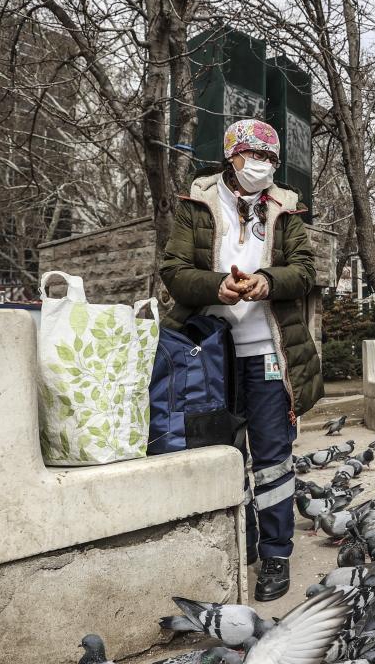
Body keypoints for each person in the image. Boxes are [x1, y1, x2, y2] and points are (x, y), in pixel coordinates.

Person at [159, 118, 322, 601]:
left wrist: (267, 281)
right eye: (255, 156)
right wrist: (219, 288)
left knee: (272, 457)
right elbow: (174, 270)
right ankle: (242, 538)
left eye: (271, 159)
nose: (263, 166)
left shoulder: (286, 211)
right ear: (231, 157)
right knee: (225, 453)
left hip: (270, 355)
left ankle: (275, 554)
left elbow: (305, 270)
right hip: (211, 357)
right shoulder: (197, 207)